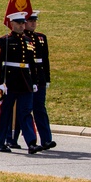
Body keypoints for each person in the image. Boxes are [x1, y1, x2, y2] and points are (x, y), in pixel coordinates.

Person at [0, 12, 41, 154]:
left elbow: (32, 64)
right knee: (5, 113)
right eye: (18, 23)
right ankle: (0, 142)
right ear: (12, 24)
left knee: (25, 112)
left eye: (22, 23)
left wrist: (35, 81)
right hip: (10, 81)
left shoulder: (27, 41)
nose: (21, 26)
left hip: (25, 82)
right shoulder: (4, 40)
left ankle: (31, 143)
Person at [26, 11, 56, 150]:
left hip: (40, 77)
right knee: (24, 110)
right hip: (26, 78)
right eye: (30, 21)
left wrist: (47, 78)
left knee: (40, 109)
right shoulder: (22, 38)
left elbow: (45, 60)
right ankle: (13, 138)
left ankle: (46, 139)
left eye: (34, 21)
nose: (33, 23)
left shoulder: (41, 38)